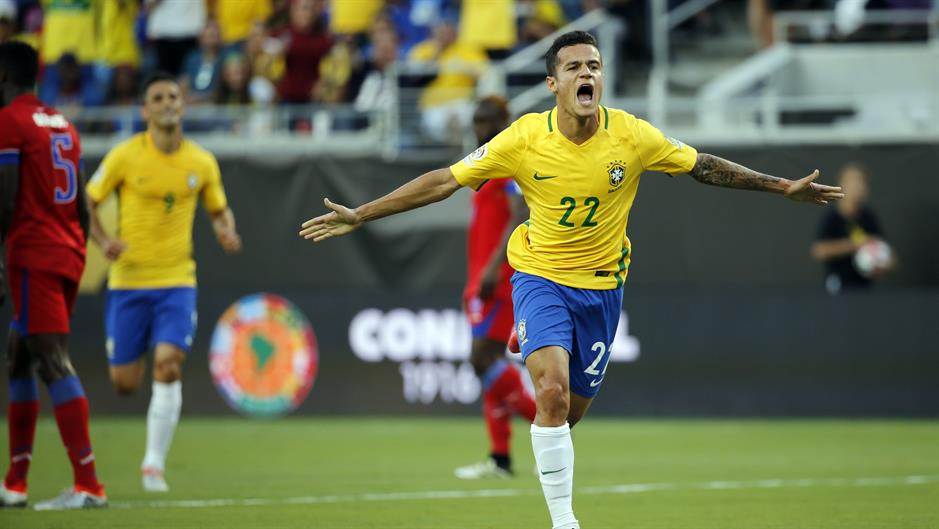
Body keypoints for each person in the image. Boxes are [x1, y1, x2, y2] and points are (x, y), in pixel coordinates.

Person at [299, 30, 842, 529]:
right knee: (552, 394)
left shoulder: (630, 136)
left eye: (595, 66)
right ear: (552, 83)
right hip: (538, 275)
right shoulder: (525, 138)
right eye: (575, 67)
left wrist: (780, 187)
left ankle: (533, 346)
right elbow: (446, 180)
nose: (588, 74)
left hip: (603, 291)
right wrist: (363, 213)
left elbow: (701, 165)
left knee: (563, 415)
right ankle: (564, 521)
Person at [85, 72, 243, 493]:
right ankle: (150, 453)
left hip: (177, 280)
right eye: (158, 97)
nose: (168, 102)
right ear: (145, 109)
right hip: (127, 282)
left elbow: (218, 210)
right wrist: (102, 239)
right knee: (124, 383)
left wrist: (226, 229)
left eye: (174, 95)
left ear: (183, 104)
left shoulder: (201, 161)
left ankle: (153, 464)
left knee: (169, 363)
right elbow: (88, 198)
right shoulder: (124, 156)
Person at [0, 41, 107, 510]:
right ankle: (14, 483)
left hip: (33, 250)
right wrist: (75, 251)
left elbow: (5, 199)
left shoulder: (9, 122)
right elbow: (82, 204)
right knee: (19, 354)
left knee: (50, 358)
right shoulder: (62, 123)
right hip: (65, 249)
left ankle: (89, 485)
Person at [454, 96, 537, 480]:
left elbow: (521, 213)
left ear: (505, 120)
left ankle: (548, 422)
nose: (479, 127)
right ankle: (500, 459)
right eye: (476, 120)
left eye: (486, 120)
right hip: (479, 279)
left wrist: (491, 267)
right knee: (490, 365)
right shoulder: (485, 164)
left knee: (482, 359)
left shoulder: (507, 164)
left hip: (498, 279)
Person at [811, 163, 893, 294]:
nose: (858, 188)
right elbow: (819, 251)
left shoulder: (868, 217)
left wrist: (881, 262)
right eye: (853, 183)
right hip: (838, 287)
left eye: (861, 183)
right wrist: (858, 244)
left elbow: (887, 254)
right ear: (841, 185)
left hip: (866, 288)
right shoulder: (831, 218)